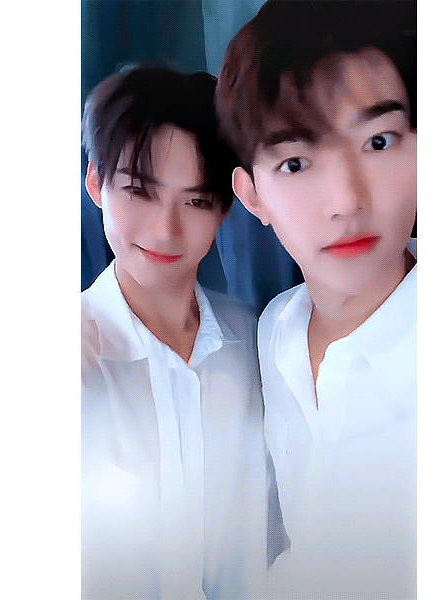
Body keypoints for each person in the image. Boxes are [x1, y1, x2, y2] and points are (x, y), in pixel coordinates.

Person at [215, 1, 417, 597]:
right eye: (296, 163)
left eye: (378, 141)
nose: (346, 200)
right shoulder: (276, 330)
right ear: (252, 196)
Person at [81, 66, 277, 599]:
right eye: (139, 192)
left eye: (195, 201)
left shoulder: (259, 342)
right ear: (96, 183)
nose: (165, 230)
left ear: (226, 208)